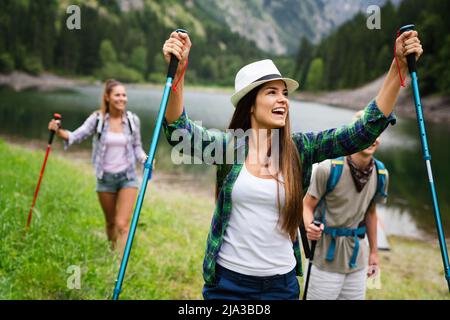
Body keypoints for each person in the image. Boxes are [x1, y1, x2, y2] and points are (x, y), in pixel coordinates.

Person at [161, 30, 422, 300]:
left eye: (284, 93)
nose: (283, 99)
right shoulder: (229, 147)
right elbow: (180, 133)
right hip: (228, 282)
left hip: (281, 285)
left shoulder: (300, 149)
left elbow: (361, 132)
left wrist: (397, 67)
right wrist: (178, 72)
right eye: (271, 92)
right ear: (250, 105)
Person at [48, 79, 147, 253]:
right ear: (107, 97)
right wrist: (58, 131)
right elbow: (75, 136)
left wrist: (145, 159)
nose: (122, 98)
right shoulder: (98, 119)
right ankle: (112, 249)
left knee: (122, 224)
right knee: (110, 222)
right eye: (117, 95)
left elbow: (137, 147)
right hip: (105, 178)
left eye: (124, 95)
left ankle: (119, 264)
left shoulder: (132, 120)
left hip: (128, 177)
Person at [303, 110, 388, 300]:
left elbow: (371, 214)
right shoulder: (329, 168)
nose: (372, 138)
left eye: (377, 133)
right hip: (325, 259)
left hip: (357, 261)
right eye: (367, 132)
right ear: (355, 135)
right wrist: (309, 226)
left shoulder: (381, 173)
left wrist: (374, 253)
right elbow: (307, 205)